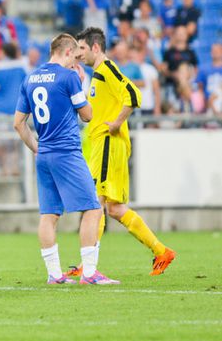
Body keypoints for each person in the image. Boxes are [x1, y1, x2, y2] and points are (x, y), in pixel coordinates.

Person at [13, 33, 115, 285]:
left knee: (49, 214)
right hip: (67, 152)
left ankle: (54, 274)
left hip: (45, 155)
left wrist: (37, 148)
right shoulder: (69, 76)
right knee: (93, 209)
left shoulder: (30, 78)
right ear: (67, 52)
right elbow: (88, 115)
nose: (76, 62)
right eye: (75, 57)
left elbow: (18, 124)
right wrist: (81, 83)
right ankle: (90, 273)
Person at [74, 27, 175, 277]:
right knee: (115, 208)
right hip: (103, 145)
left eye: (82, 48)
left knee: (95, 204)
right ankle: (161, 251)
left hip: (108, 144)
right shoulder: (98, 74)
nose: (79, 54)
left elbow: (133, 94)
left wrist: (117, 123)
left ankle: (88, 267)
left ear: (95, 47)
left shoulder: (107, 68)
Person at [195, 43, 222, 117]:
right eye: (213, 51)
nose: (215, 53)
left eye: (217, 51)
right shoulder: (204, 69)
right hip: (208, 102)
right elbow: (200, 88)